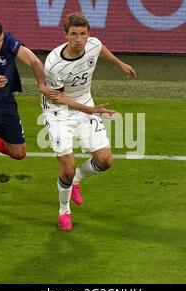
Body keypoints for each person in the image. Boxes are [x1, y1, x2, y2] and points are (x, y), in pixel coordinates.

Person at [42, 12, 137, 230]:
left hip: (85, 104)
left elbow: (99, 49)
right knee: (66, 168)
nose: (78, 39)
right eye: (73, 34)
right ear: (65, 35)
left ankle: (76, 179)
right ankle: (64, 211)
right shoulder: (54, 65)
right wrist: (91, 110)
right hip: (59, 112)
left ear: (88, 34)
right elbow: (60, 98)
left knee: (104, 160)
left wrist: (120, 64)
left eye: (83, 34)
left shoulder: (93, 44)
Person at [0, 17, 57, 215]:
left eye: (0, 41)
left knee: (19, 154)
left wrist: (41, 85)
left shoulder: (9, 41)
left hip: (6, 105)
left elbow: (34, 61)